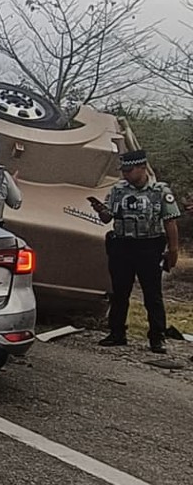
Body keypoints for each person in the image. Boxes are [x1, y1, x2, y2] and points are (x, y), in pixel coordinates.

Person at [90, 150, 182, 353]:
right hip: (122, 245)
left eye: (129, 170)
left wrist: (173, 250)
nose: (125, 174)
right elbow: (108, 218)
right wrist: (101, 210)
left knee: (152, 294)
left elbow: (170, 221)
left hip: (149, 246)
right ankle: (117, 333)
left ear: (142, 168)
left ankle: (157, 337)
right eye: (123, 170)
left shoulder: (159, 190)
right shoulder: (118, 189)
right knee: (119, 291)